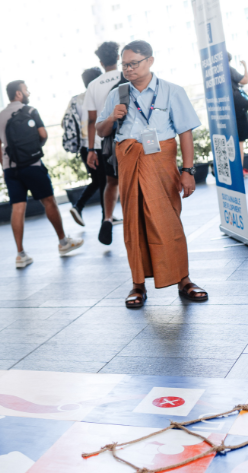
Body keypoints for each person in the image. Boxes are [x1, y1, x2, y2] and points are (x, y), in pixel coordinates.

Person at [96, 40, 209, 308]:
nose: (128, 69)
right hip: (129, 163)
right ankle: (138, 284)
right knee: (133, 223)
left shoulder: (172, 91)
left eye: (134, 63)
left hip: (161, 163)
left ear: (150, 61)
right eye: (125, 65)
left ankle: (184, 280)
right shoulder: (117, 94)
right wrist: (111, 118)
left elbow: (185, 133)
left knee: (169, 221)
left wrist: (187, 170)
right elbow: (101, 130)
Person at [0, 80, 84, 268]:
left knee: (18, 208)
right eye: (26, 90)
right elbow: (43, 135)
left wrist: (5, 166)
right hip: (32, 165)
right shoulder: (31, 111)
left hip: (11, 168)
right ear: (18, 94)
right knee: (49, 201)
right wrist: (33, 150)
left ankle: (20, 254)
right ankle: (63, 243)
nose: (28, 93)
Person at [78, 41, 125, 242]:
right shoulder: (127, 75)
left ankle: (107, 218)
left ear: (101, 62)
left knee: (111, 182)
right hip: (129, 137)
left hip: (105, 140)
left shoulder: (94, 85)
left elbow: (91, 120)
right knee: (131, 179)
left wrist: (90, 149)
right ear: (118, 58)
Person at [66, 67, 104, 226]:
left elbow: (66, 123)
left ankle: (103, 215)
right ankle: (104, 216)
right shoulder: (101, 96)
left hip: (84, 147)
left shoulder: (75, 100)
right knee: (104, 181)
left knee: (99, 180)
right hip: (98, 145)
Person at [228, 53, 248, 169]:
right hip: (238, 108)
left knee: (232, 141)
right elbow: (245, 80)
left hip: (228, 109)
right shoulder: (229, 69)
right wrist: (245, 66)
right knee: (240, 141)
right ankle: (239, 169)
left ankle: (236, 169)